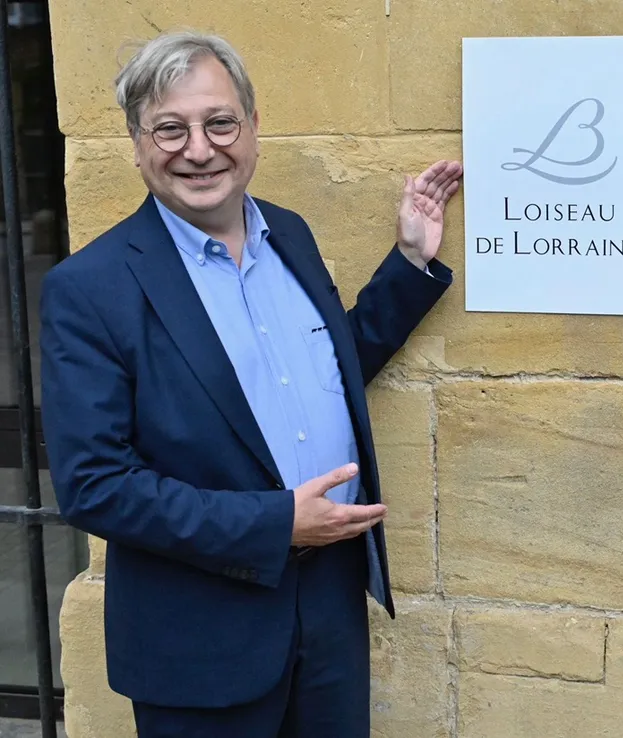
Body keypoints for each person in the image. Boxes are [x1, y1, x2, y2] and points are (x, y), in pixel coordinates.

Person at [39, 31, 462, 737]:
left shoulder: (288, 236)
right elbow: (94, 486)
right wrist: (275, 525)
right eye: (170, 129)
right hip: (200, 638)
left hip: (327, 608)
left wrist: (409, 265)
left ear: (254, 127)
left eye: (219, 123)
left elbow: (327, 373)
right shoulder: (89, 289)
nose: (199, 149)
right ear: (137, 144)